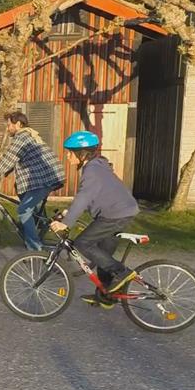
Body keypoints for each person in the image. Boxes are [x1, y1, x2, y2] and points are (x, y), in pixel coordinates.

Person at [49, 130, 140, 308]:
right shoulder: (97, 166)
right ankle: (106, 295)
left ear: (82, 154)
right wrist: (69, 212)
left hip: (115, 214)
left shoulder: (92, 170)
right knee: (102, 254)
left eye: (70, 152)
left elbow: (83, 197)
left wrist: (65, 224)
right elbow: (93, 196)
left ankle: (121, 272)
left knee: (82, 243)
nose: (67, 156)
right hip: (119, 212)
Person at [0, 111, 65, 250]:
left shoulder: (22, 137)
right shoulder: (28, 135)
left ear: (19, 124)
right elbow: (14, 161)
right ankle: (42, 229)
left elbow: (9, 158)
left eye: (9, 125)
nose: (7, 128)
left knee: (23, 210)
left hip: (43, 180)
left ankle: (34, 248)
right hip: (43, 179)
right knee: (33, 211)